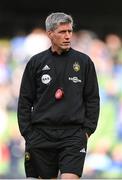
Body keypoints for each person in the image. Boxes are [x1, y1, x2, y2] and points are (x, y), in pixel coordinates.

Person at [17, 12, 100, 179]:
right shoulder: (36, 62)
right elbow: (25, 101)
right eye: (62, 32)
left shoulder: (84, 62)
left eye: (69, 31)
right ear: (50, 34)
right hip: (41, 135)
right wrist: (28, 133)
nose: (68, 36)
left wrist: (87, 131)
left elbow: (92, 99)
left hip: (73, 135)